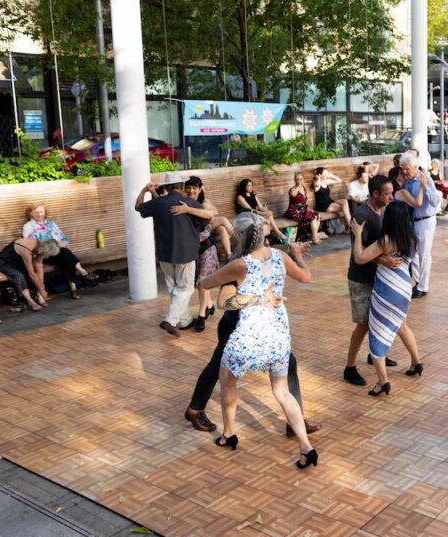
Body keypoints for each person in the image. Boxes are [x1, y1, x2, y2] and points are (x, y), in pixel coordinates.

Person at [184, 213, 320, 439]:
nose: (266, 240)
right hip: (236, 326)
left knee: (289, 363)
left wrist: (293, 257)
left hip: (263, 327)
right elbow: (222, 300)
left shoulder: (272, 256)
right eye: (263, 233)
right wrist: (261, 297)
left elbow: (299, 275)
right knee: (218, 367)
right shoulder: (237, 263)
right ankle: (195, 409)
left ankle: (294, 420)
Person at [351, 200, 424, 396]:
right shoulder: (412, 239)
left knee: (376, 334)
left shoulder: (385, 241)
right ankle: (416, 363)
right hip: (404, 289)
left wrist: (358, 234)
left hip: (387, 292)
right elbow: (415, 264)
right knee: (402, 326)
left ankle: (383, 381)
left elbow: (359, 257)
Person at [343, 175, 403, 386]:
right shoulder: (361, 216)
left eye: (391, 193)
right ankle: (349, 367)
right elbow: (359, 253)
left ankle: (375, 355)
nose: (390, 197)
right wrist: (382, 259)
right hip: (361, 278)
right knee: (363, 324)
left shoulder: (383, 210)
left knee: (378, 320)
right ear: (375, 194)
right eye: (386, 194)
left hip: (378, 277)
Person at [136, 171, 207, 336]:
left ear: (167, 187)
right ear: (181, 186)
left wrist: (144, 191)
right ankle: (170, 320)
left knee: (174, 289)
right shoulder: (191, 204)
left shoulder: (158, 203)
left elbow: (138, 207)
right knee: (185, 289)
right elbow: (205, 221)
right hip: (185, 254)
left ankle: (184, 320)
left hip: (164, 254)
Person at [168, 177, 235, 332]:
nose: (191, 191)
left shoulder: (201, 204)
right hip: (192, 251)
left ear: (200, 189)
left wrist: (188, 210)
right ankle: (209, 306)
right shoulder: (182, 203)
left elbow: (212, 214)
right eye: (189, 188)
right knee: (199, 285)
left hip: (207, 249)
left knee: (202, 284)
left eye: (194, 188)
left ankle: (201, 316)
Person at [21, 202, 95, 300]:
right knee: (65, 255)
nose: (39, 214)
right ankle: (82, 274)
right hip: (42, 255)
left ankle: (74, 288)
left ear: (45, 212)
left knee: (65, 256)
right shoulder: (28, 226)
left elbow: (62, 237)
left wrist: (63, 242)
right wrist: (54, 243)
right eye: (36, 212)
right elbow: (28, 244)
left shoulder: (51, 223)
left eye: (41, 211)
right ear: (30, 213)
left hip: (58, 252)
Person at [397, 153, 440, 299]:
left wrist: (425, 186)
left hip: (426, 220)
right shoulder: (407, 181)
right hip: (412, 221)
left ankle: (423, 286)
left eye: (407, 168)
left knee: (424, 254)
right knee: (412, 253)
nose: (404, 172)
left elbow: (435, 202)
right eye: (403, 168)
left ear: (415, 167)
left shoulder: (425, 179)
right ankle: (417, 281)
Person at [0, 238, 60, 312]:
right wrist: (42, 290)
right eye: (48, 254)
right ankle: (30, 300)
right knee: (19, 276)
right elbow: (32, 274)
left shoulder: (41, 249)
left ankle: (38, 296)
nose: (48, 256)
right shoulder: (27, 249)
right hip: (4, 263)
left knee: (37, 271)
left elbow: (39, 267)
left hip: (18, 263)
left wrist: (41, 290)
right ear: (45, 249)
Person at [284, 172, 323, 245]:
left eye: (301, 179)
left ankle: (314, 235)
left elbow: (303, 203)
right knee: (313, 216)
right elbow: (293, 194)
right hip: (294, 211)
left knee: (317, 215)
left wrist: (309, 209)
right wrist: (298, 186)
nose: (299, 181)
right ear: (295, 180)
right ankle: (315, 237)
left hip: (302, 210)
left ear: (303, 179)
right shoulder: (293, 189)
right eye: (297, 179)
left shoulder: (304, 189)